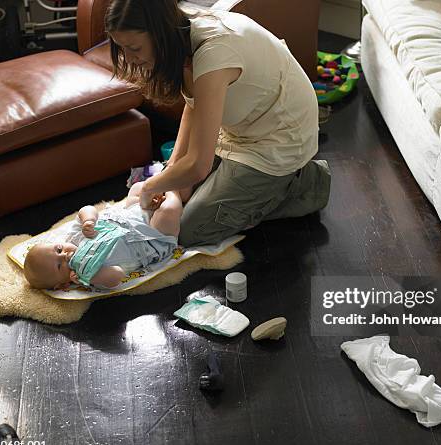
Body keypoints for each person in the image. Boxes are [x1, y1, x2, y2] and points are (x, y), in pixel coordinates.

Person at [105, 0, 331, 247]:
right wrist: (172, 169)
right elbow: (194, 104)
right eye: (121, 48)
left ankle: (305, 183)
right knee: (179, 196)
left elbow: (198, 167)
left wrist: (150, 186)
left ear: (159, 35)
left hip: (277, 142)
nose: (129, 58)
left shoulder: (214, 51)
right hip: (239, 128)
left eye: (134, 48)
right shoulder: (180, 31)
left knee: (190, 230)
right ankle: (252, 191)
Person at [23, 183, 181, 290]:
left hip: (130, 213)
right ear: (61, 285)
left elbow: (86, 209)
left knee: (138, 187)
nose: (64, 255)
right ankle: (175, 189)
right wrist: (91, 276)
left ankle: (162, 188)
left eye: (58, 250)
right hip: (151, 237)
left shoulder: (74, 237)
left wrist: (88, 219)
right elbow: (117, 276)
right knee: (168, 211)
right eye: (59, 265)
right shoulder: (88, 275)